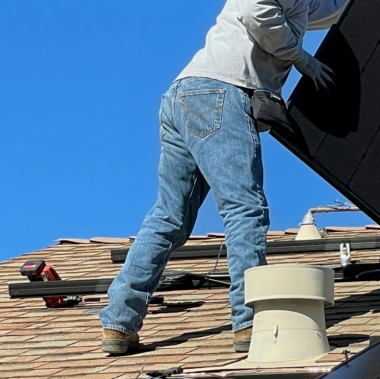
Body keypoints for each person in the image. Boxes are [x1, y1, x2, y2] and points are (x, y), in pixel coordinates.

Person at [99, 0, 348, 355]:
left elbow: (328, 10)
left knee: (169, 217)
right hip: (221, 92)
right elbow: (255, 11)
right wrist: (301, 58)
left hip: (187, 96)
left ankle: (119, 323)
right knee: (245, 208)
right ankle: (249, 321)